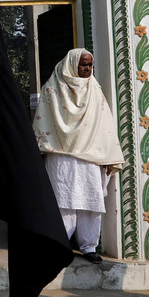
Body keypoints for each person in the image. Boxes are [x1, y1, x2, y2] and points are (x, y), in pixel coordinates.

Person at [33, 48, 124, 264]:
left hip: (91, 155)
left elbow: (105, 125)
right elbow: (42, 121)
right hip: (61, 155)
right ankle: (58, 245)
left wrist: (109, 156)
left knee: (91, 203)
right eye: (83, 64)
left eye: (90, 65)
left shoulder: (95, 90)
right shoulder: (51, 89)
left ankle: (89, 246)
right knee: (63, 202)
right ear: (72, 64)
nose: (87, 69)